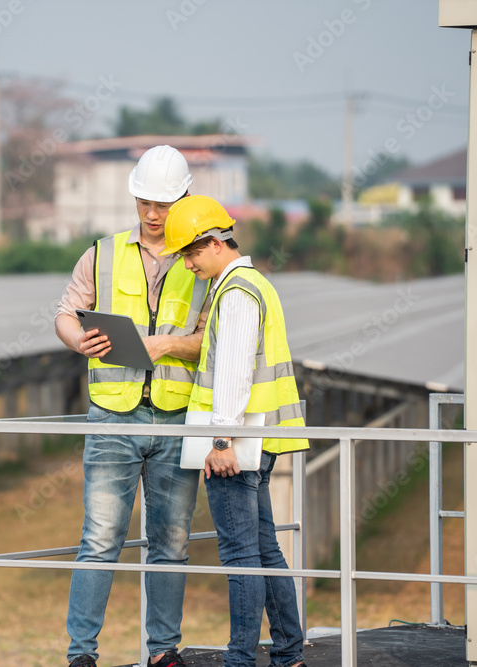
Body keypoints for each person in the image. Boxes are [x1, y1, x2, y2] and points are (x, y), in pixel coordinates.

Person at [54, 145, 212, 667]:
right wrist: (79, 340)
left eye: (163, 204)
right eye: (144, 201)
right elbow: (65, 312)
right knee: (99, 538)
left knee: (171, 541)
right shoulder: (101, 253)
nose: (151, 213)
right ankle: (81, 655)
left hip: (176, 418)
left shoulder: (204, 260)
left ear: (183, 199)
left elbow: (212, 340)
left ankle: (163, 652)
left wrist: (169, 346)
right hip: (112, 417)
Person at [160, 195, 309, 667]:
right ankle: (288, 652)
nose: (187, 264)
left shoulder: (237, 292)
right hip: (257, 440)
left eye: (190, 253)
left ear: (213, 242)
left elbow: (235, 372)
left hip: (237, 444)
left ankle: (241, 659)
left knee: (241, 553)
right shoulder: (252, 284)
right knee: (265, 548)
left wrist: (221, 440)